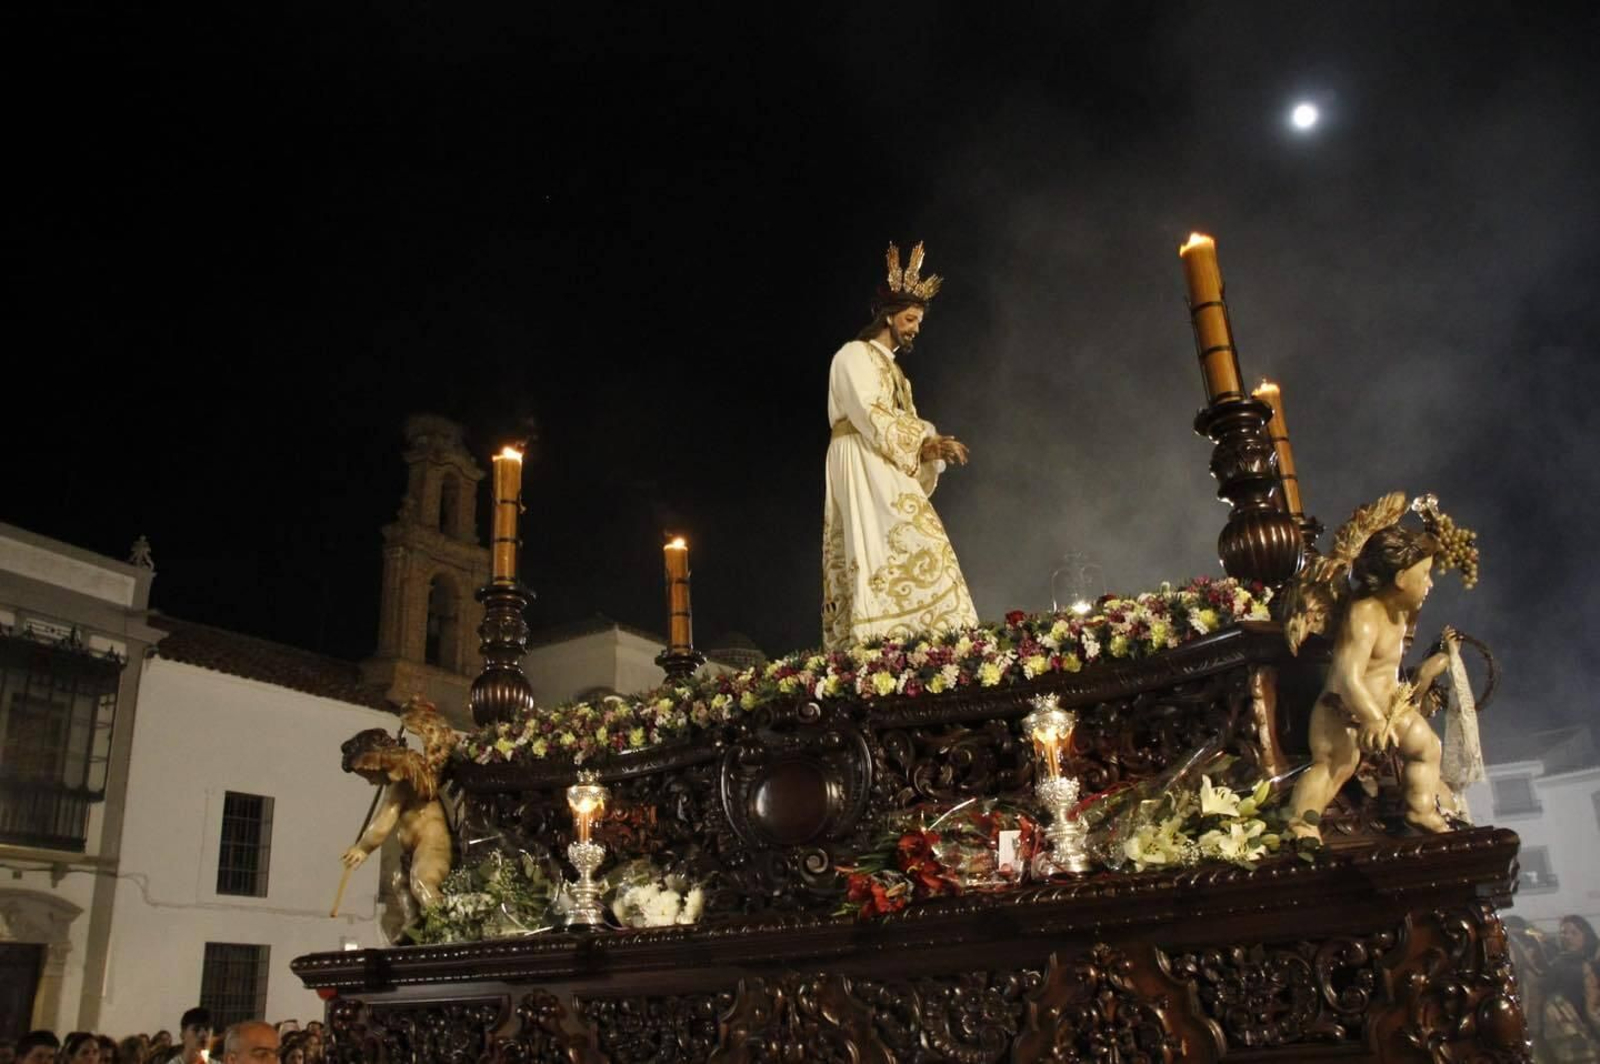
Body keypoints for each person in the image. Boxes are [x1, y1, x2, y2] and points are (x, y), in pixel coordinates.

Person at [822, 241, 978, 650]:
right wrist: (923, 444)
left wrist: (929, 443)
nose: (914, 328)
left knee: (925, 545)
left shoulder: (896, 372)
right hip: (863, 458)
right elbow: (869, 410)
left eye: (918, 321)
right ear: (889, 317)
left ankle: (927, 641)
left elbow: (901, 418)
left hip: (889, 460)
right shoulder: (853, 355)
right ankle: (877, 639)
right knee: (885, 546)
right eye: (910, 319)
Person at [1288, 523, 1459, 838]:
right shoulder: (1364, 615)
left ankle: (1419, 809)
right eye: (1424, 576)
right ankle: (1301, 823)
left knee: (1428, 747)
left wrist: (1428, 669)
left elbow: (1389, 671)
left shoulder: (1400, 612)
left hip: (1389, 709)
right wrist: (1370, 718)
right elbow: (1345, 676)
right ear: (1399, 579)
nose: (1430, 584)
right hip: (1344, 709)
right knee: (1335, 765)